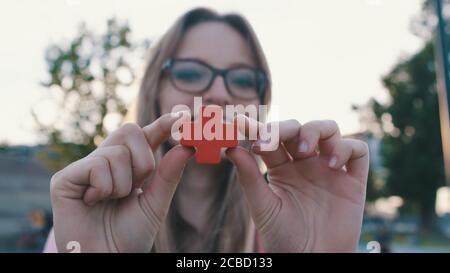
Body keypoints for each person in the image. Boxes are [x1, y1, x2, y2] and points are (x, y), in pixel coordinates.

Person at [44, 7, 369, 253]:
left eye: (242, 79)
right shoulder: (84, 224)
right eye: (190, 72)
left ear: (261, 102)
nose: (218, 94)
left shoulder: (292, 225)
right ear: (154, 89)